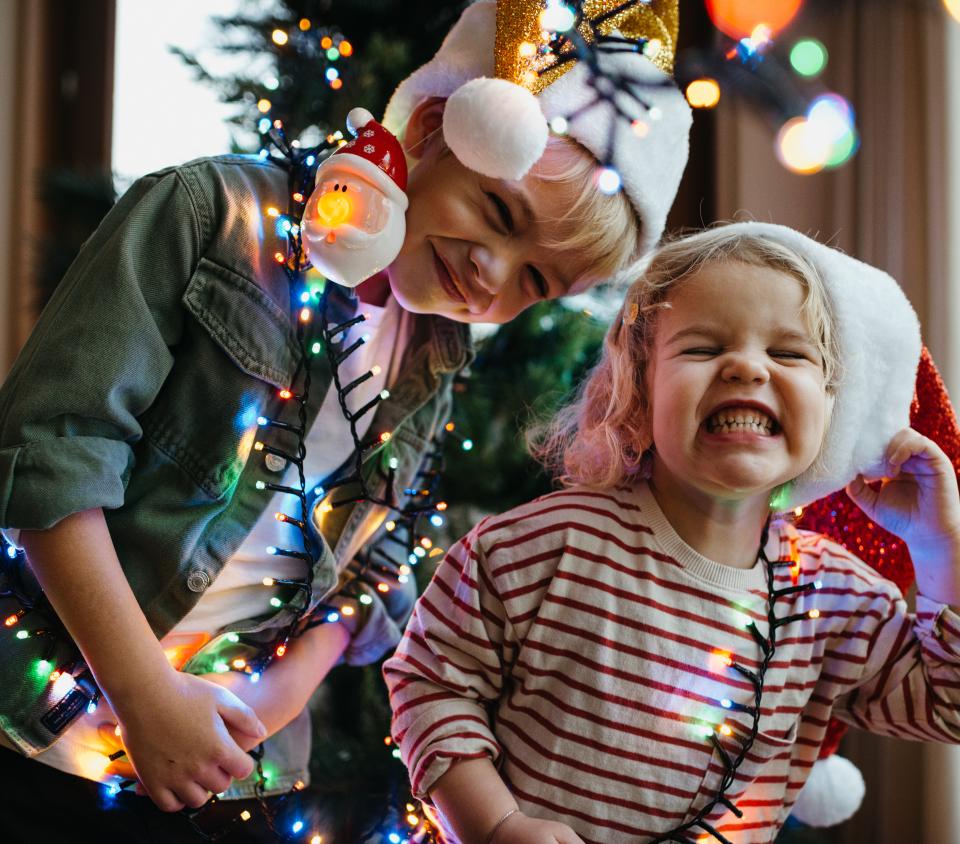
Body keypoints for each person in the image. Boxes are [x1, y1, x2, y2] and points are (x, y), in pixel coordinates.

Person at [0, 0, 691, 839]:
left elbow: (375, 561)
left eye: (536, 283)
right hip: (39, 737)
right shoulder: (213, 217)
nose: (491, 275)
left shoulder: (433, 358)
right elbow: (50, 454)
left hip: (235, 777)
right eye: (502, 215)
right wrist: (145, 694)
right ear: (436, 126)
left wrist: (275, 696)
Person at [384, 223, 960, 844]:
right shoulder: (541, 547)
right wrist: (496, 826)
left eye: (788, 354)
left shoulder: (833, 601)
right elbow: (430, 681)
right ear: (639, 387)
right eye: (704, 349)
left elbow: (947, 704)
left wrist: (937, 546)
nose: (746, 367)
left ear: (834, 408)